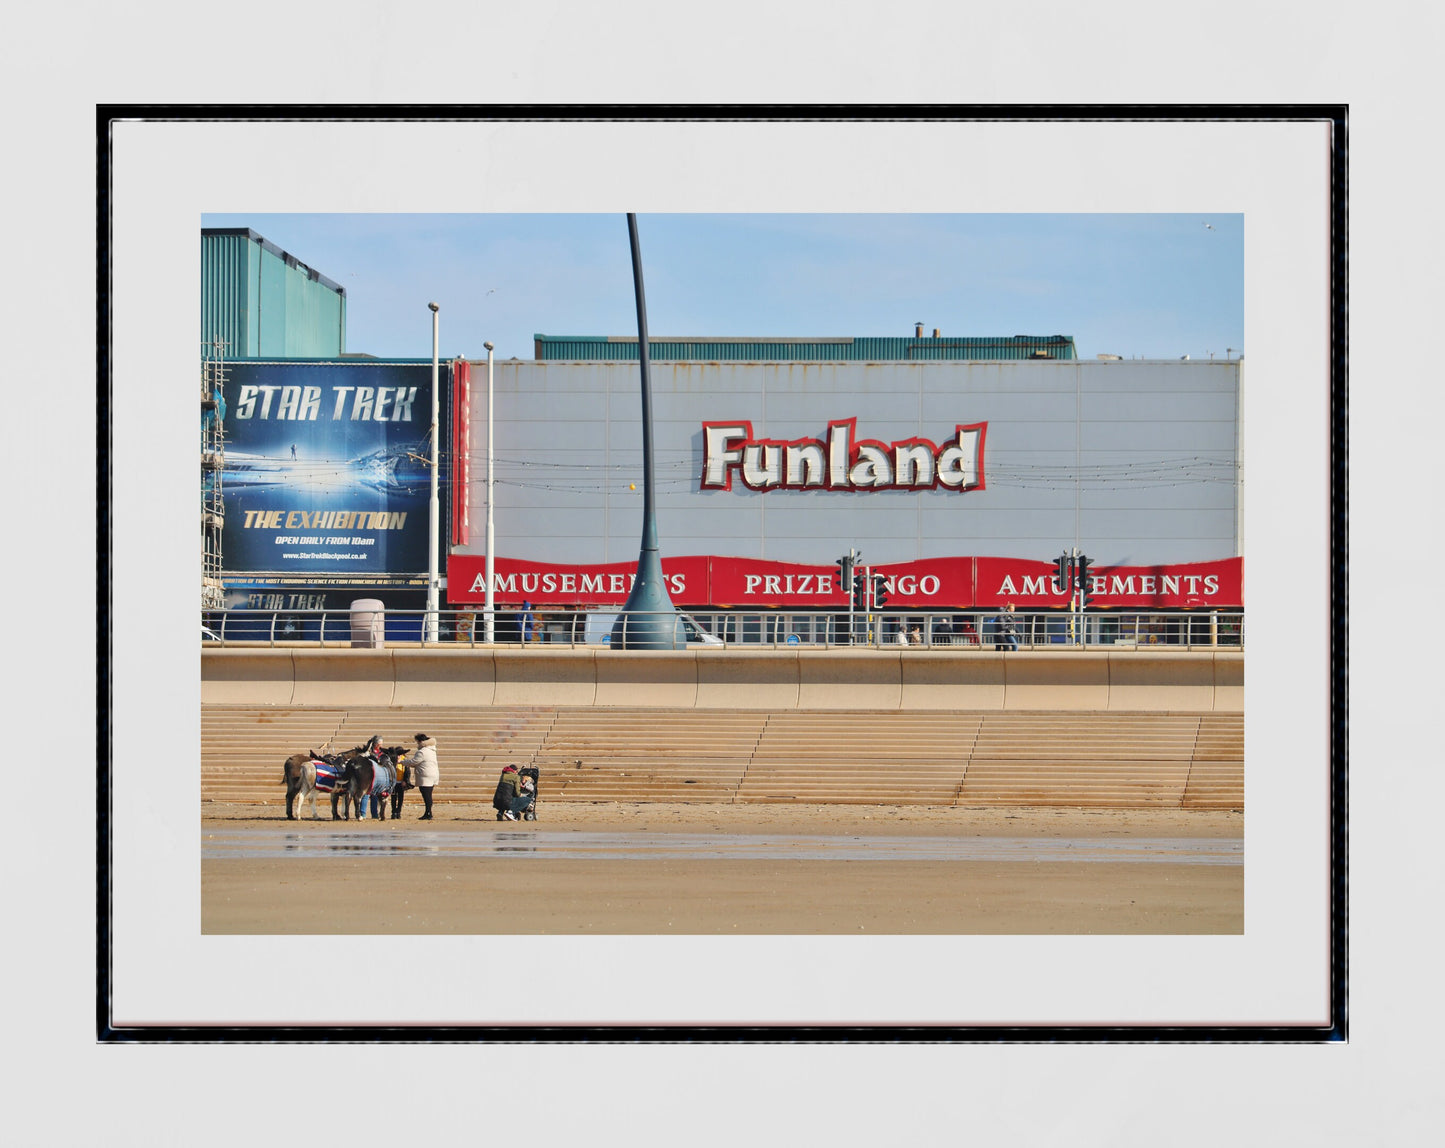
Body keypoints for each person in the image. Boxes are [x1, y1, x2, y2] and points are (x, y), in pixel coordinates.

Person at [401, 732, 438, 820]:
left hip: (425, 775)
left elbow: (414, 762)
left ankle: (428, 813)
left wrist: (402, 762)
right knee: (428, 794)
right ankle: (428, 812)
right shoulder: (432, 750)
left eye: (417, 742)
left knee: (426, 795)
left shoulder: (422, 752)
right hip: (432, 774)